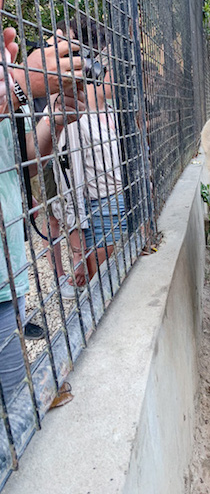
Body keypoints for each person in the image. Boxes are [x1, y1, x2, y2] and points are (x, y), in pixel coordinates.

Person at [0, 26, 85, 405]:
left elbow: (21, 164)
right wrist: (18, 84)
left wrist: (54, 121)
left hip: (7, 281)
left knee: (18, 411)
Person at [52, 35, 126, 281]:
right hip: (101, 215)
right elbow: (69, 187)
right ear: (99, 72)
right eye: (119, 72)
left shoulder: (113, 111)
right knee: (106, 292)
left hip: (127, 206)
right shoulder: (75, 115)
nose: (124, 81)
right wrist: (77, 251)